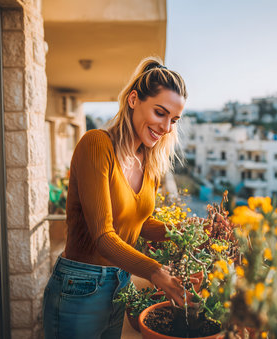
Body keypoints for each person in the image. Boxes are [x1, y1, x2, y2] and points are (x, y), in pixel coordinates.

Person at [42, 57, 189, 339]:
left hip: (120, 284)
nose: (167, 127)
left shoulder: (149, 163)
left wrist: (184, 231)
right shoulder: (97, 145)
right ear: (134, 99)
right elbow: (104, 236)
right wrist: (156, 272)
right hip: (79, 286)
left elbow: (138, 223)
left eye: (174, 119)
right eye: (160, 113)